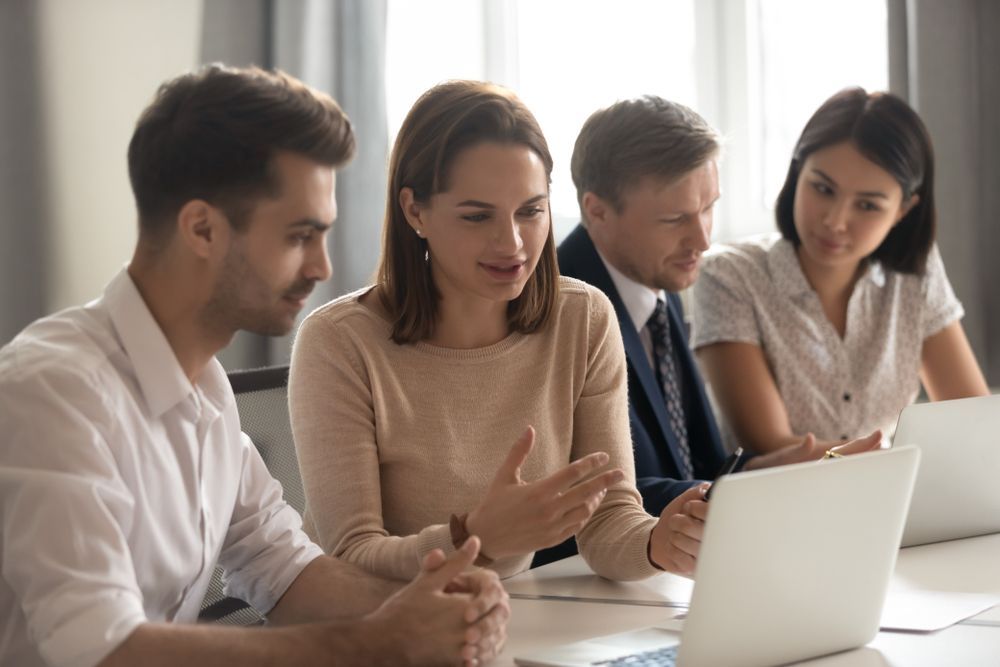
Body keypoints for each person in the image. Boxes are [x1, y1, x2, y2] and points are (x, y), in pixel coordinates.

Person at [0, 64, 508, 667]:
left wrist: (434, 607)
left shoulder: (205, 387)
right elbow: (102, 650)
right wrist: (376, 640)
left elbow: (286, 569)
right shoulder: (53, 394)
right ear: (202, 229)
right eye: (300, 235)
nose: (323, 267)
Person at [289, 80, 712, 584]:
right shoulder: (340, 342)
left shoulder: (583, 318)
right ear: (414, 210)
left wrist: (657, 542)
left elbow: (608, 521)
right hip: (381, 633)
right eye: (476, 215)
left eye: (531, 211)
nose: (512, 243)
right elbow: (350, 557)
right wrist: (477, 538)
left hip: (507, 622)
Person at [555, 95, 880, 525]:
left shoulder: (655, 280)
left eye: (709, 208)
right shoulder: (560, 312)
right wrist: (751, 490)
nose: (703, 240)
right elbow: (592, 492)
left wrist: (770, 472)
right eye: (674, 219)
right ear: (597, 211)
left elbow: (694, 471)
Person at [691, 88, 989, 455]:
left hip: (890, 497)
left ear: (903, 211)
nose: (835, 221)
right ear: (797, 172)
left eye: (867, 205)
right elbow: (773, 448)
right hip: (778, 502)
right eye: (822, 188)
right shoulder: (730, 276)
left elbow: (972, 423)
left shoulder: (916, 275)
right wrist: (895, 462)